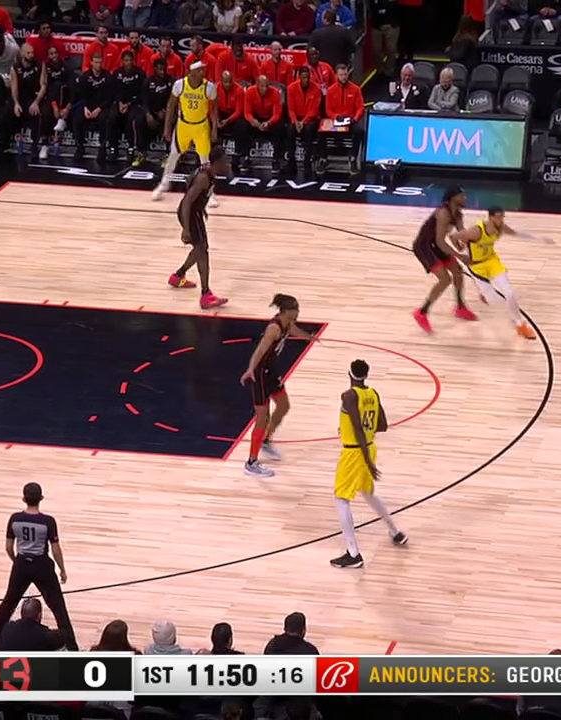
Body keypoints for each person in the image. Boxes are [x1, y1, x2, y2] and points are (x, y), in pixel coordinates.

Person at [330, 359, 408, 568]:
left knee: (341, 498)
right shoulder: (373, 394)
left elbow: (357, 428)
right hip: (370, 447)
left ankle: (353, 554)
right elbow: (382, 426)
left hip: (355, 452)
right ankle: (395, 532)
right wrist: (361, 430)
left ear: (349, 374)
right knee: (367, 492)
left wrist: (365, 457)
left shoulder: (348, 396)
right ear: (366, 375)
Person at [0, 482, 78, 651]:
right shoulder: (48, 521)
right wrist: (62, 569)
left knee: (9, 603)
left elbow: (8, 547)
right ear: (41, 498)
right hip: (41, 565)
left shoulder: (15, 519)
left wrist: (16, 561)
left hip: (22, 563)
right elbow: (55, 549)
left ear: (24, 499)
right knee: (58, 607)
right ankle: (72, 647)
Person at [239, 294, 319, 478]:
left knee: (283, 406)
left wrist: (308, 337)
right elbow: (260, 349)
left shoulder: (287, 323)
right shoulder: (274, 328)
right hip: (260, 374)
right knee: (262, 417)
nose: (298, 312)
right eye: (296, 309)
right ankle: (251, 463)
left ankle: (266, 440)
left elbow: (294, 330)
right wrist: (250, 369)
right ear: (287, 311)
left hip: (272, 371)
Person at [450, 207, 538, 339]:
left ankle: (520, 325)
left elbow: (516, 233)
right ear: (490, 217)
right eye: (497, 217)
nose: (500, 219)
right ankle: (484, 294)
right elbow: (452, 236)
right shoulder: (476, 231)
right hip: (477, 267)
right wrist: (460, 251)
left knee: (510, 294)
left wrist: (539, 238)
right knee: (496, 302)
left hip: (492, 262)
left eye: (502, 217)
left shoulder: (501, 227)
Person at [411, 186, 478, 334]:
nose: (465, 198)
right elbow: (440, 241)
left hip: (436, 245)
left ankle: (460, 307)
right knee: (445, 279)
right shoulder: (443, 214)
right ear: (453, 198)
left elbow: (460, 234)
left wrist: (466, 245)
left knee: (458, 272)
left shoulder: (458, 215)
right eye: (462, 196)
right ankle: (422, 312)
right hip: (424, 247)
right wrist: (460, 255)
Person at [169, 146, 229, 309]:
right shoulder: (203, 177)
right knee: (202, 250)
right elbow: (187, 202)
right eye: (225, 161)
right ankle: (205, 294)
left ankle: (178, 276)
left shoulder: (209, 172)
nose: (228, 164)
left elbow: (196, 194)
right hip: (189, 214)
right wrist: (186, 229)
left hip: (195, 213)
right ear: (217, 162)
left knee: (200, 248)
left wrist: (202, 209)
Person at [154, 60, 217, 201]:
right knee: (173, 155)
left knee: (205, 161)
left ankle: (210, 193)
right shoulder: (180, 85)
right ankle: (164, 184)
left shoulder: (209, 87)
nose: (203, 72)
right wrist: (167, 128)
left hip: (201, 126)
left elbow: (213, 110)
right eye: (200, 69)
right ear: (192, 72)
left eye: (203, 69)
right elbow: (171, 106)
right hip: (184, 125)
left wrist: (214, 129)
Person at [3, 43, 46, 156]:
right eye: (28, 53)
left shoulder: (40, 65)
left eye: (32, 52)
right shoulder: (15, 67)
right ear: (22, 53)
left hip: (34, 96)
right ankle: (3, 142)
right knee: (7, 110)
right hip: (21, 96)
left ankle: (35, 145)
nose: (31, 55)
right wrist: (16, 103)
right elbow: (14, 88)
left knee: (36, 113)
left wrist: (36, 102)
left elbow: (43, 86)